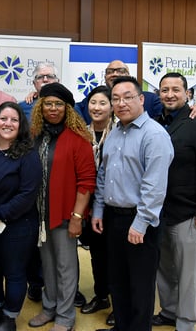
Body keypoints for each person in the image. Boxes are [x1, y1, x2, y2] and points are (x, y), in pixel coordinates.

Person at [92, 76, 174, 331]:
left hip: (141, 222)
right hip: (113, 218)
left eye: (127, 97)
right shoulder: (115, 132)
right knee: (118, 280)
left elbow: (155, 187)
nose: (121, 103)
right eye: (115, 98)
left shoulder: (155, 135)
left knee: (140, 285)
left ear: (141, 99)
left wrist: (140, 224)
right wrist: (98, 210)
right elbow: (104, 174)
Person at [152, 73, 196, 331]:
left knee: (186, 272)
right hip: (161, 211)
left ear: (188, 93)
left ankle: (187, 321)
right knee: (165, 267)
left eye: (175, 90)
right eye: (164, 90)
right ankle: (169, 312)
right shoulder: (156, 121)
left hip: (188, 213)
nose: (169, 94)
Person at [27, 83, 96, 331]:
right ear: (40, 106)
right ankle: (49, 308)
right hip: (40, 214)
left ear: (67, 108)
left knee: (66, 267)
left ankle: (65, 316)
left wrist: (78, 216)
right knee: (47, 265)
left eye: (58, 104)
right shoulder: (35, 135)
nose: (53, 108)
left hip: (66, 214)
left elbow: (87, 181)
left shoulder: (78, 139)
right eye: (48, 103)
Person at [0, 102, 42, 331]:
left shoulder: (28, 154)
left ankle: (8, 319)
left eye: (14, 120)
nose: (8, 123)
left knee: (14, 272)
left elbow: (27, 195)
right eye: (3, 118)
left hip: (17, 224)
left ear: (21, 125)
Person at [18, 62, 60, 303]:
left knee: (61, 240)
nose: (45, 79)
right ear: (34, 84)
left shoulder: (70, 105)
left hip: (58, 182)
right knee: (34, 236)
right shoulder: (23, 106)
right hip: (31, 180)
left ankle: (66, 288)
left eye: (50, 76)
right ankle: (36, 282)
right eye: (40, 77)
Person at [78, 86, 115, 326]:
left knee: (117, 256)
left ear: (112, 106)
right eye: (93, 102)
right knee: (97, 254)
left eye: (103, 103)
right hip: (89, 205)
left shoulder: (121, 131)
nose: (97, 107)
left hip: (115, 203)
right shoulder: (82, 133)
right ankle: (102, 296)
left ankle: (119, 303)